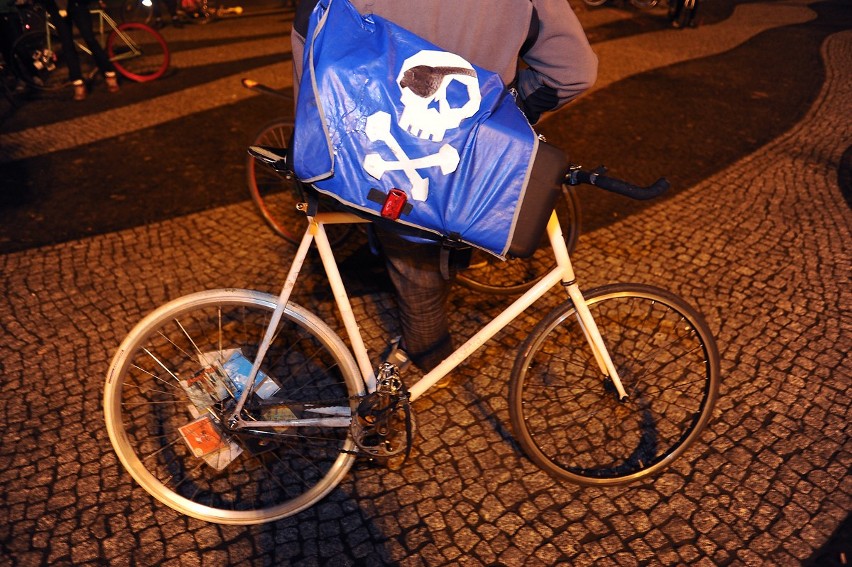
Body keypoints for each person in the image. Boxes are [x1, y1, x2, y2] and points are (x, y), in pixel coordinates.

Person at [290, 0, 597, 375]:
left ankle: (430, 360)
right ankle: (433, 345)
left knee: (413, 267)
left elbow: (314, 65)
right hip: (470, 166)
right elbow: (573, 72)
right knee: (445, 246)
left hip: (383, 166)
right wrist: (502, 116)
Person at [36, 0, 119, 100]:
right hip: (56, 7)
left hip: (77, 4)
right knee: (67, 44)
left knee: (89, 38)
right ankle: (77, 82)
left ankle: (109, 72)